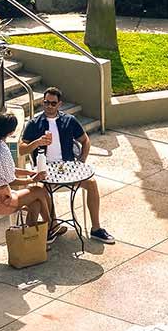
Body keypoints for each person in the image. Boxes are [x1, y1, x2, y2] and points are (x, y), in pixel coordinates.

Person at [20, 86, 116, 244]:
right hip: (45, 169)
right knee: (42, 189)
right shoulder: (34, 123)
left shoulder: (69, 120)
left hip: (67, 168)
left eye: (53, 103)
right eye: (46, 102)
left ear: (59, 104)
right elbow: (22, 149)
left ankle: (96, 229)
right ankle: (53, 226)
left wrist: (81, 162)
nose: (49, 106)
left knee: (91, 183)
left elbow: (85, 141)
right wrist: (37, 142)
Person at [0, 112, 60, 245]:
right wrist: (33, 179)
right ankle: (51, 227)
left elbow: (9, 171)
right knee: (39, 190)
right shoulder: (3, 151)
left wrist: (29, 172)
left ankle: (35, 239)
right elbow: (11, 180)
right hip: (0, 201)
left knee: (36, 203)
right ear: (11, 132)